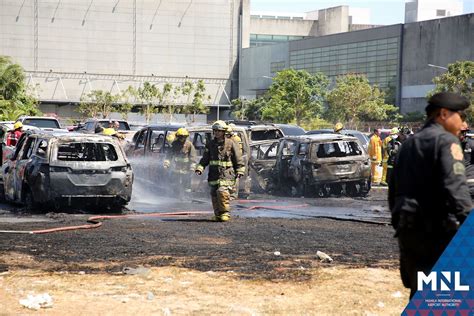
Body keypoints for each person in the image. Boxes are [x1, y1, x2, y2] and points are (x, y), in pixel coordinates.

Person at [388, 92, 472, 299]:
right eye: (460, 116)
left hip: (408, 232)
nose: (463, 123)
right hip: (438, 233)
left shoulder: (407, 145)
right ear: (443, 114)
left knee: (420, 294)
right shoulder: (446, 142)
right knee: (444, 300)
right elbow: (456, 190)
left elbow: (393, 190)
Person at [195, 120, 245, 222]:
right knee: (214, 193)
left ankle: (225, 213)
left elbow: (238, 158)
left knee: (222, 192)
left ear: (224, 132)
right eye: (215, 131)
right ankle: (217, 214)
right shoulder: (210, 144)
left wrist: (240, 170)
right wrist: (200, 168)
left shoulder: (231, 143)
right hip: (214, 174)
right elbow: (205, 158)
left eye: (219, 131)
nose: (217, 132)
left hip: (227, 174)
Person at [163, 127, 196, 198]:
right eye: (181, 136)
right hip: (176, 170)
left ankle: (187, 197)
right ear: (177, 136)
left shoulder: (189, 145)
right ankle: (175, 197)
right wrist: (166, 164)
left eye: (184, 137)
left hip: (186, 170)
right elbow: (169, 155)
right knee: (174, 184)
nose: (182, 138)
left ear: (186, 137)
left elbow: (193, 157)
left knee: (187, 186)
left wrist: (192, 167)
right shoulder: (174, 144)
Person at [225, 124, 244, 200]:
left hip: (233, 162)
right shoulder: (225, 140)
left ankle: (233, 195)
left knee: (234, 179)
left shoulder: (235, 140)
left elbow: (238, 153)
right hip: (227, 163)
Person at [459, 122, 474, 197]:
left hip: (471, 186)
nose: (460, 134)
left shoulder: (471, 144)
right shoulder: (449, 145)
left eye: (462, 132)